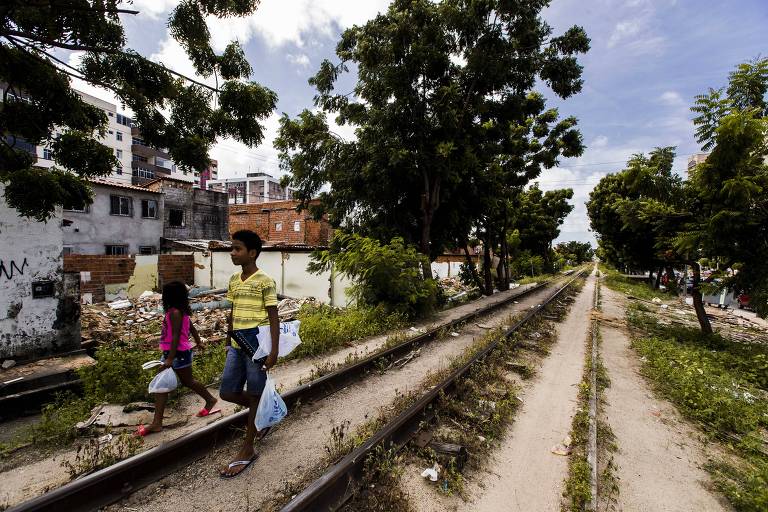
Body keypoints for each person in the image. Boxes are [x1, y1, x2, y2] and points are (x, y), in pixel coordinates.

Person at [219, 229, 280, 478]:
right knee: (227, 391)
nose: (232, 253)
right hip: (236, 344)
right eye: (231, 248)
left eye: (237, 249)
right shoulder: (234, 279)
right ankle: (263, 413)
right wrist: (228, 337)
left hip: (257, 345)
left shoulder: (265, 281)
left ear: (252, 253)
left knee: (255, 393)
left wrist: (273, 351)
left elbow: (274, 318)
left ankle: (248, 448)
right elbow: (232, 312)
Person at [136, 281, 219, 436]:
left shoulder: (175, 312)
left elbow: (175, 336)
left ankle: (210, 400)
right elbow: (192, 328)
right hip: (173, 353)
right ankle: (157, 423)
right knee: (163, 385)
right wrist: (199, 342)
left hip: (177, 354)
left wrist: (169, 359)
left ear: (170, 296)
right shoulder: (180, 311)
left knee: (187, 381)